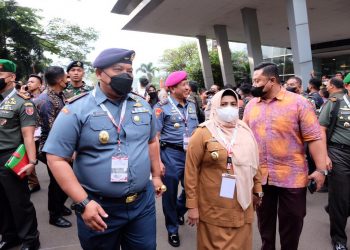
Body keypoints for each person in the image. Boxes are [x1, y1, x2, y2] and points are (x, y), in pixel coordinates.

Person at [43, 48, 165, 250]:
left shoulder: (142, 105)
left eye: (129, 70)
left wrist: (157, 176)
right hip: (98, 207)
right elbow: (56, 158)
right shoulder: (76, 109)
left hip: (141, 205)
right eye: (118, 69)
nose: (126, 75)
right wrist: (83, 203)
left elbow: (152, 141)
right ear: (99, 73)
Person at [243, 62, 327, 250]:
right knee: (265, 226)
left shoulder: (298, 103)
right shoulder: (250, 106)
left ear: (272, 81)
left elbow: (314, 138)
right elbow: (244, 139)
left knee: (292, 225)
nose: (254, 84)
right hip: (261, 177)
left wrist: (321, 170)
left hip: (292, 177)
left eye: (258, 81)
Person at [185, 89, 262, 250]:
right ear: (214, 107)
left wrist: (257, 190)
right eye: (224, 104)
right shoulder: (202, 133)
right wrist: (192, 206)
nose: (229, 108)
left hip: (243, 204)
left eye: (233, 104)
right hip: (213, 207)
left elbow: (255, 163)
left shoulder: (245, 131)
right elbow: (191, 171)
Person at [154, 70, 198, 247]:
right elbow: (155, 137)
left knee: (193, 189)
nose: (188, 87)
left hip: (191, 154)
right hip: (170, 154)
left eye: (187, 83)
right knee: (169, 194)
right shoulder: (161, 107)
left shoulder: (192, 105)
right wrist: (158, 161)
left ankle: (179, 210)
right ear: (172, 88)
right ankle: (172, 230)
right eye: (183, 84)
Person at [0, 59, 40, 250]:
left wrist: (32, 161)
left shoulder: (23, 103)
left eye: (0, 74)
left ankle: (30, 239)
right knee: (2, 202)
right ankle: (9, 236)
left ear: (11, 77)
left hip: (11, 157)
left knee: (19, 202)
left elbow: (28, 135)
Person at [35, 66, 73, 228]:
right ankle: (54, 215)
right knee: (57, 182)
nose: (68, 79)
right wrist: (66, 151)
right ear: (59, 80)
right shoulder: (45, 100)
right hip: (50, 148)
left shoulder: (61, 95)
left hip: (62, 146)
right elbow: (51, 130)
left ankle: (59, 206)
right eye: (66, 77)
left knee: (64, 181)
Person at [318, 77, 350, 250]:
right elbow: (321, 129)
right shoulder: (334, 102)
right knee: (340, 197)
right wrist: (325, 156)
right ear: (346, 86)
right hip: (339, 153)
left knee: (344, 201)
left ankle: (335, 209)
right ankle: (339, 239)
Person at [26, 74, 43, 193]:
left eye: (32, 81)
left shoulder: (45, 98)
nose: (28, 83)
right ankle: (33, 183)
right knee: (28, 158)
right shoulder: (24, 99)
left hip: (43, 135)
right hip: (31, 135)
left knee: (49, 159)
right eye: (28, 81)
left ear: (39, 85)